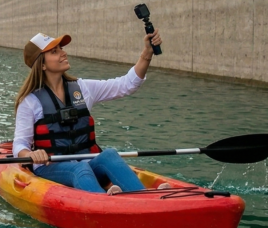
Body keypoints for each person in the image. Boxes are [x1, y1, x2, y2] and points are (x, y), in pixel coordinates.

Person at [13, 29, 165, 195]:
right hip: (50, 168)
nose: (63, 53)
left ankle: (145, 198)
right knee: (79, 168)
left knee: (109, 155)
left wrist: (147, 54)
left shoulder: (83, 88)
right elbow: (20, 144)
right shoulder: (29, 102)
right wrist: (31, 154)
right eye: (55, 52)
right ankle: (105, 203)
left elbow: (126, 85)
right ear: (42, 64)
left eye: (61, 49)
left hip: (87, 163)